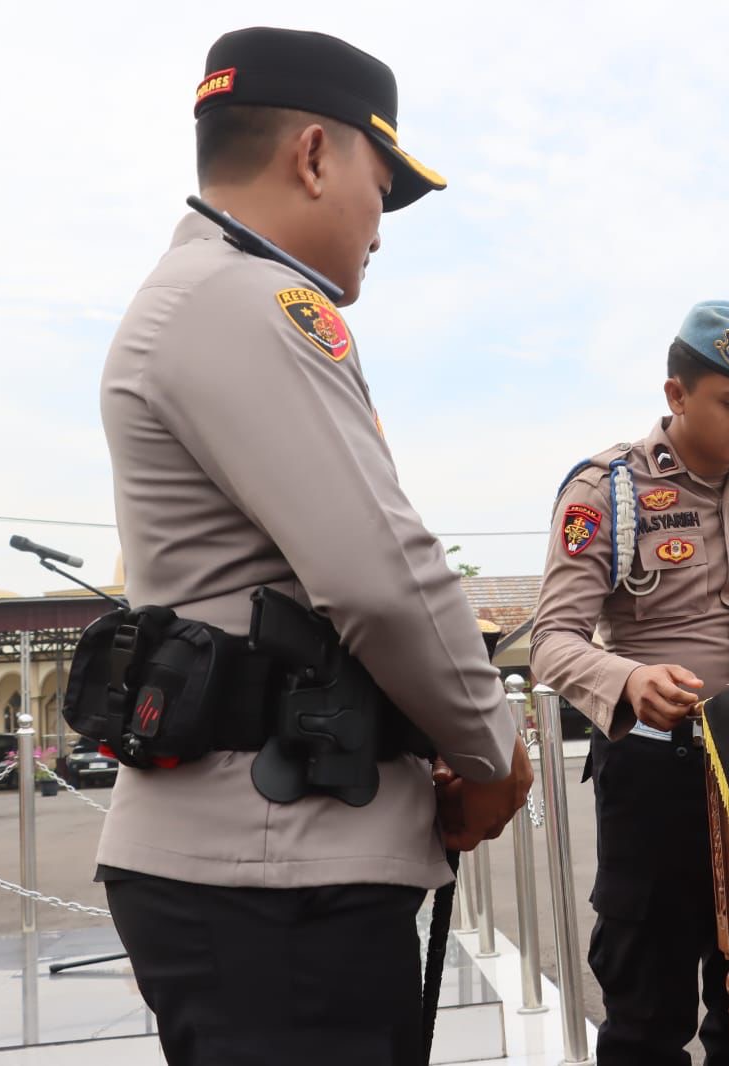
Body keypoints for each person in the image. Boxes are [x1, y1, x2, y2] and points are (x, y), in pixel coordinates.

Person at [95, 26, 531, 1064]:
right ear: (313, 156)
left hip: (261, 863)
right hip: (272, 873)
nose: (380, 225)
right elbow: (382, 580)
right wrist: (493, 752)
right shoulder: (250, 300)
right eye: (381, 185)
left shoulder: (204, 296)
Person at [531, 300, 729, 1065]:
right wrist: (626, 680)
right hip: (656, 774)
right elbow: (552, 642)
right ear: (676, 394)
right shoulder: (606, 492)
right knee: (645, 1011)